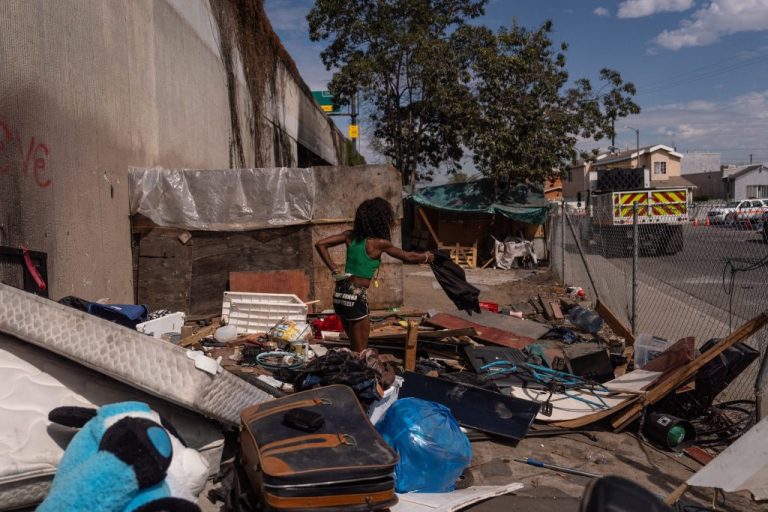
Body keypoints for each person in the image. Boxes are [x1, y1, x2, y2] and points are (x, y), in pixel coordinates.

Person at [315, 197, 434, 351]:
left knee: (354, 347)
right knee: (360, 351)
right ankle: (359, 373)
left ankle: (353, 370)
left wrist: (335, 270)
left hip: (340, 294)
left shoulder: (349, 236)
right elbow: (408, 256)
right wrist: (426, 256)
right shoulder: (379, 243)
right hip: (356, 296)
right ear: (381, 220)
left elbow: (320, 244)